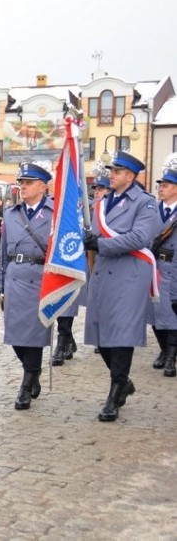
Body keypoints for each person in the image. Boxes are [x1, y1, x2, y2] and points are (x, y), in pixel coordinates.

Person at [83, 151, 160, 422]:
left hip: (130, 275)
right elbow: (97, 231)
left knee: (122, 334)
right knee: (102, 335)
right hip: (104, 273)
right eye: (111, 171)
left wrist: (100, 244)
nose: (110, 175)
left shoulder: (145, 203)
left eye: (116, 172)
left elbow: (140, 237)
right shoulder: (103, 202)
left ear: (129, 176)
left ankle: (114, 395)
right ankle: (123, 381)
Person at [0, 163, 53, 410]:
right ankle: (33, 372)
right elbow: (2, 251)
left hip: (41, 278)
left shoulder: (54, 213)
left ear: (42, 186)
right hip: (15, 277)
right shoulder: (11, 213)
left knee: (35, 334)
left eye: (28, 182)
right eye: (21, 182)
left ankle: (26, 385)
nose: (23, 186)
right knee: (17, 337)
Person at [150, 156, 177, 377]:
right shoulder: (153, 211)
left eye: (166, 186)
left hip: (174, 268)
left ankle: (171, 357)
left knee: (173, 314)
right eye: (160, 185)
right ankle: (163, 349)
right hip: (155, 268)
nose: (161, 189)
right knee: (155, 313)